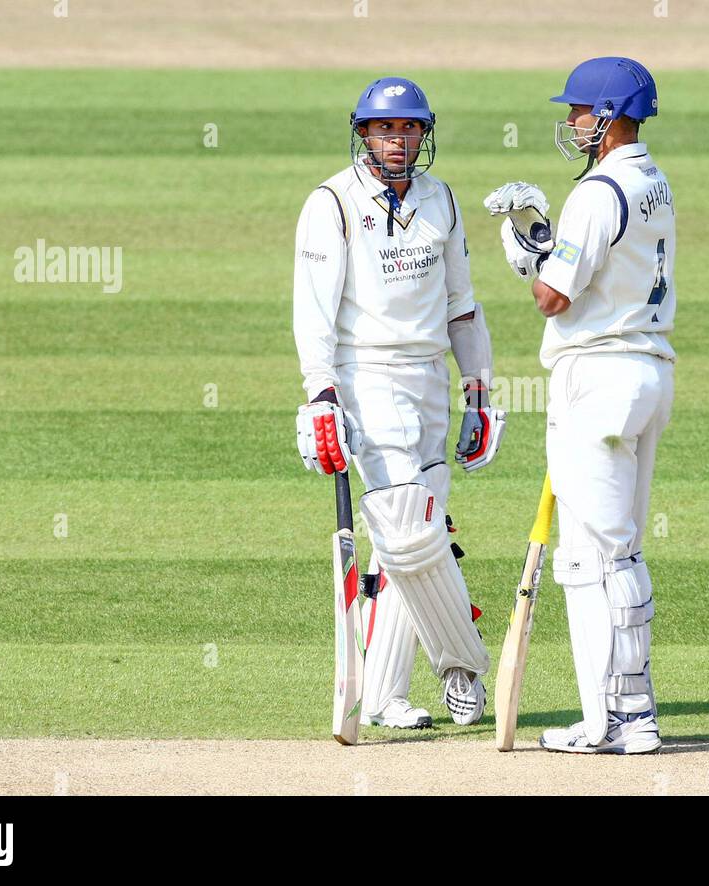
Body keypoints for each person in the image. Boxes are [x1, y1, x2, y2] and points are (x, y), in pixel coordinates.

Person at [293, 77, 506, 730]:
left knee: (401, 544)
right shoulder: (331, 202)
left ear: (424, 132)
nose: (398, 140)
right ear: (362, 133)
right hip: (366, 378)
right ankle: (463, 664)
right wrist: (320, 394)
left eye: (410, 128)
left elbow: (461, 305)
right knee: (412, 530)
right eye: (384, 129)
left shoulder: (441, 198)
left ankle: (385, 696)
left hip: (430, 380)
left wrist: (480, 391)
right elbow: (313, 312)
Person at [484, 57, 674, 754]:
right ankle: (628, 712)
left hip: (597, 376)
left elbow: (553, 296)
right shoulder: (653, 180)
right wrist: (548, 242)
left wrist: (527, 252)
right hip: (648, 372)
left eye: (579, 112)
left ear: (610, 115)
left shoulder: (597, 191)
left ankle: (621, 720)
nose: (570, 122)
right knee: (609, 549)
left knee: (599, 556)